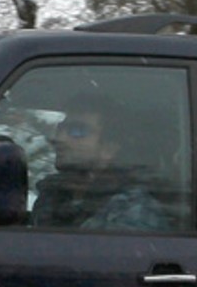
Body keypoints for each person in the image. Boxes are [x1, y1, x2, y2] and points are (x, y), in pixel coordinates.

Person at [29, 94, 172, 230]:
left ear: (108, 149)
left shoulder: (133, 213)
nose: (59, 138)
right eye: (60, 129)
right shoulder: (51, 196)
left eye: (77, 131)